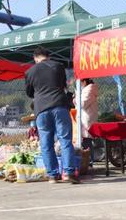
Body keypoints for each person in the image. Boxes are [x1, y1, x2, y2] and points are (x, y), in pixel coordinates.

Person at [25, 46, 79, 184]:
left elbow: (30, 93)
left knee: (46, 143)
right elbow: (63, 85)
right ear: (48, 56)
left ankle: (52, 176)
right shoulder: (58, 66)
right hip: (59, 106)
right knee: (65, 140)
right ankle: (69, 173)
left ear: (35, 58)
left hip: (41, 109)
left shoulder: (30, 71)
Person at [79, 78, 99, 165]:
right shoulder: (87, 89)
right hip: (85, 118)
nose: (79, 85)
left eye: (80, 83)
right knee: (86, 140)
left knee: (87, 140)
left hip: (86, 118)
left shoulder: (90, 89)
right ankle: (87, 161)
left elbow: (83, 104)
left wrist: (74, 100)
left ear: (84, 81)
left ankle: (89, 161)